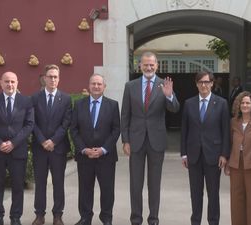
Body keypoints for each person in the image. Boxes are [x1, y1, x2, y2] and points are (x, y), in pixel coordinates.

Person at [121, 51, 180, 225]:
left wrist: (169, 95)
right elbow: (125, 115)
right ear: (139, 65)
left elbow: (175, 108)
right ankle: (136, 219)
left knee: (154, 184)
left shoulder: (164, 84)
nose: (148, 67)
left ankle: (153, 219)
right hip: (136, 141)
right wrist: (125, 140)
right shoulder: (130, 86)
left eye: (151, 64)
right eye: (145, 64)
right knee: (135, 184)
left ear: (157, 65)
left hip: (156, 141)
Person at [0, 71, 34, 225]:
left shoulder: (26, 101)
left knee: (18, 185)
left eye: (12, 81)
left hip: (17, 151)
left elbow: (29, 125)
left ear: (17, 83)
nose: (10, 84)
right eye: (7, 81)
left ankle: (15, 217)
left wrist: (13, 143)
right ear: (1, 83)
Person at [180, 71, 230, 225]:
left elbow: (226, 131)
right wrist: (184, 154)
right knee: (195, 194)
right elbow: (184, 130)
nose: (204, 85)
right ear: (196, 84)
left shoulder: (221, 103)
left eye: (207, 82)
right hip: (194, 156)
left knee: (213, 193)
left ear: (212, 83)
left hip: (214, 156)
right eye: (201, 82)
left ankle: (213, 221)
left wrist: (224, 154)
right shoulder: (189, 103)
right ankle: (195, 221)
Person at [71, 74, 120, 225]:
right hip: (85, 156)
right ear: (89, 85)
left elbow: (116, 129)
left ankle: (106, 218)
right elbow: (74, 130)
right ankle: (85, 217)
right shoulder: (79, 104)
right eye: (93, 84)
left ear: (104, 86)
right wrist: (84, 149)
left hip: (106, 157)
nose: (96, 86)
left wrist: (104, 149)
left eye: (99, 84)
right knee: (85, 189)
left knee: (107, 190)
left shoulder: (112, 105)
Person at [31, 64, 72, 225]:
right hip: (39, 148)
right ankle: (39, 215)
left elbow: (66, 123)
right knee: (40, 183)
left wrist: (53, 140)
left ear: (59, 78)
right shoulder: (34, 98)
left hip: (58, 148)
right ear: (44, 78)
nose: (53, 79)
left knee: (58, 183)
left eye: (55, 76)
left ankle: (57, 215)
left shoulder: (66, 99)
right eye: (50, 76)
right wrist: (43, 141)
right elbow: (32, 123)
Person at [225, 91, 251, 225]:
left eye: (248, 103)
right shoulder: (233, 122)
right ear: (238, 105)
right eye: (243, 102)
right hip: (236, 165)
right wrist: (227, 163)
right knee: (236, 201)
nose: (245, 105)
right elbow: (229, 143)